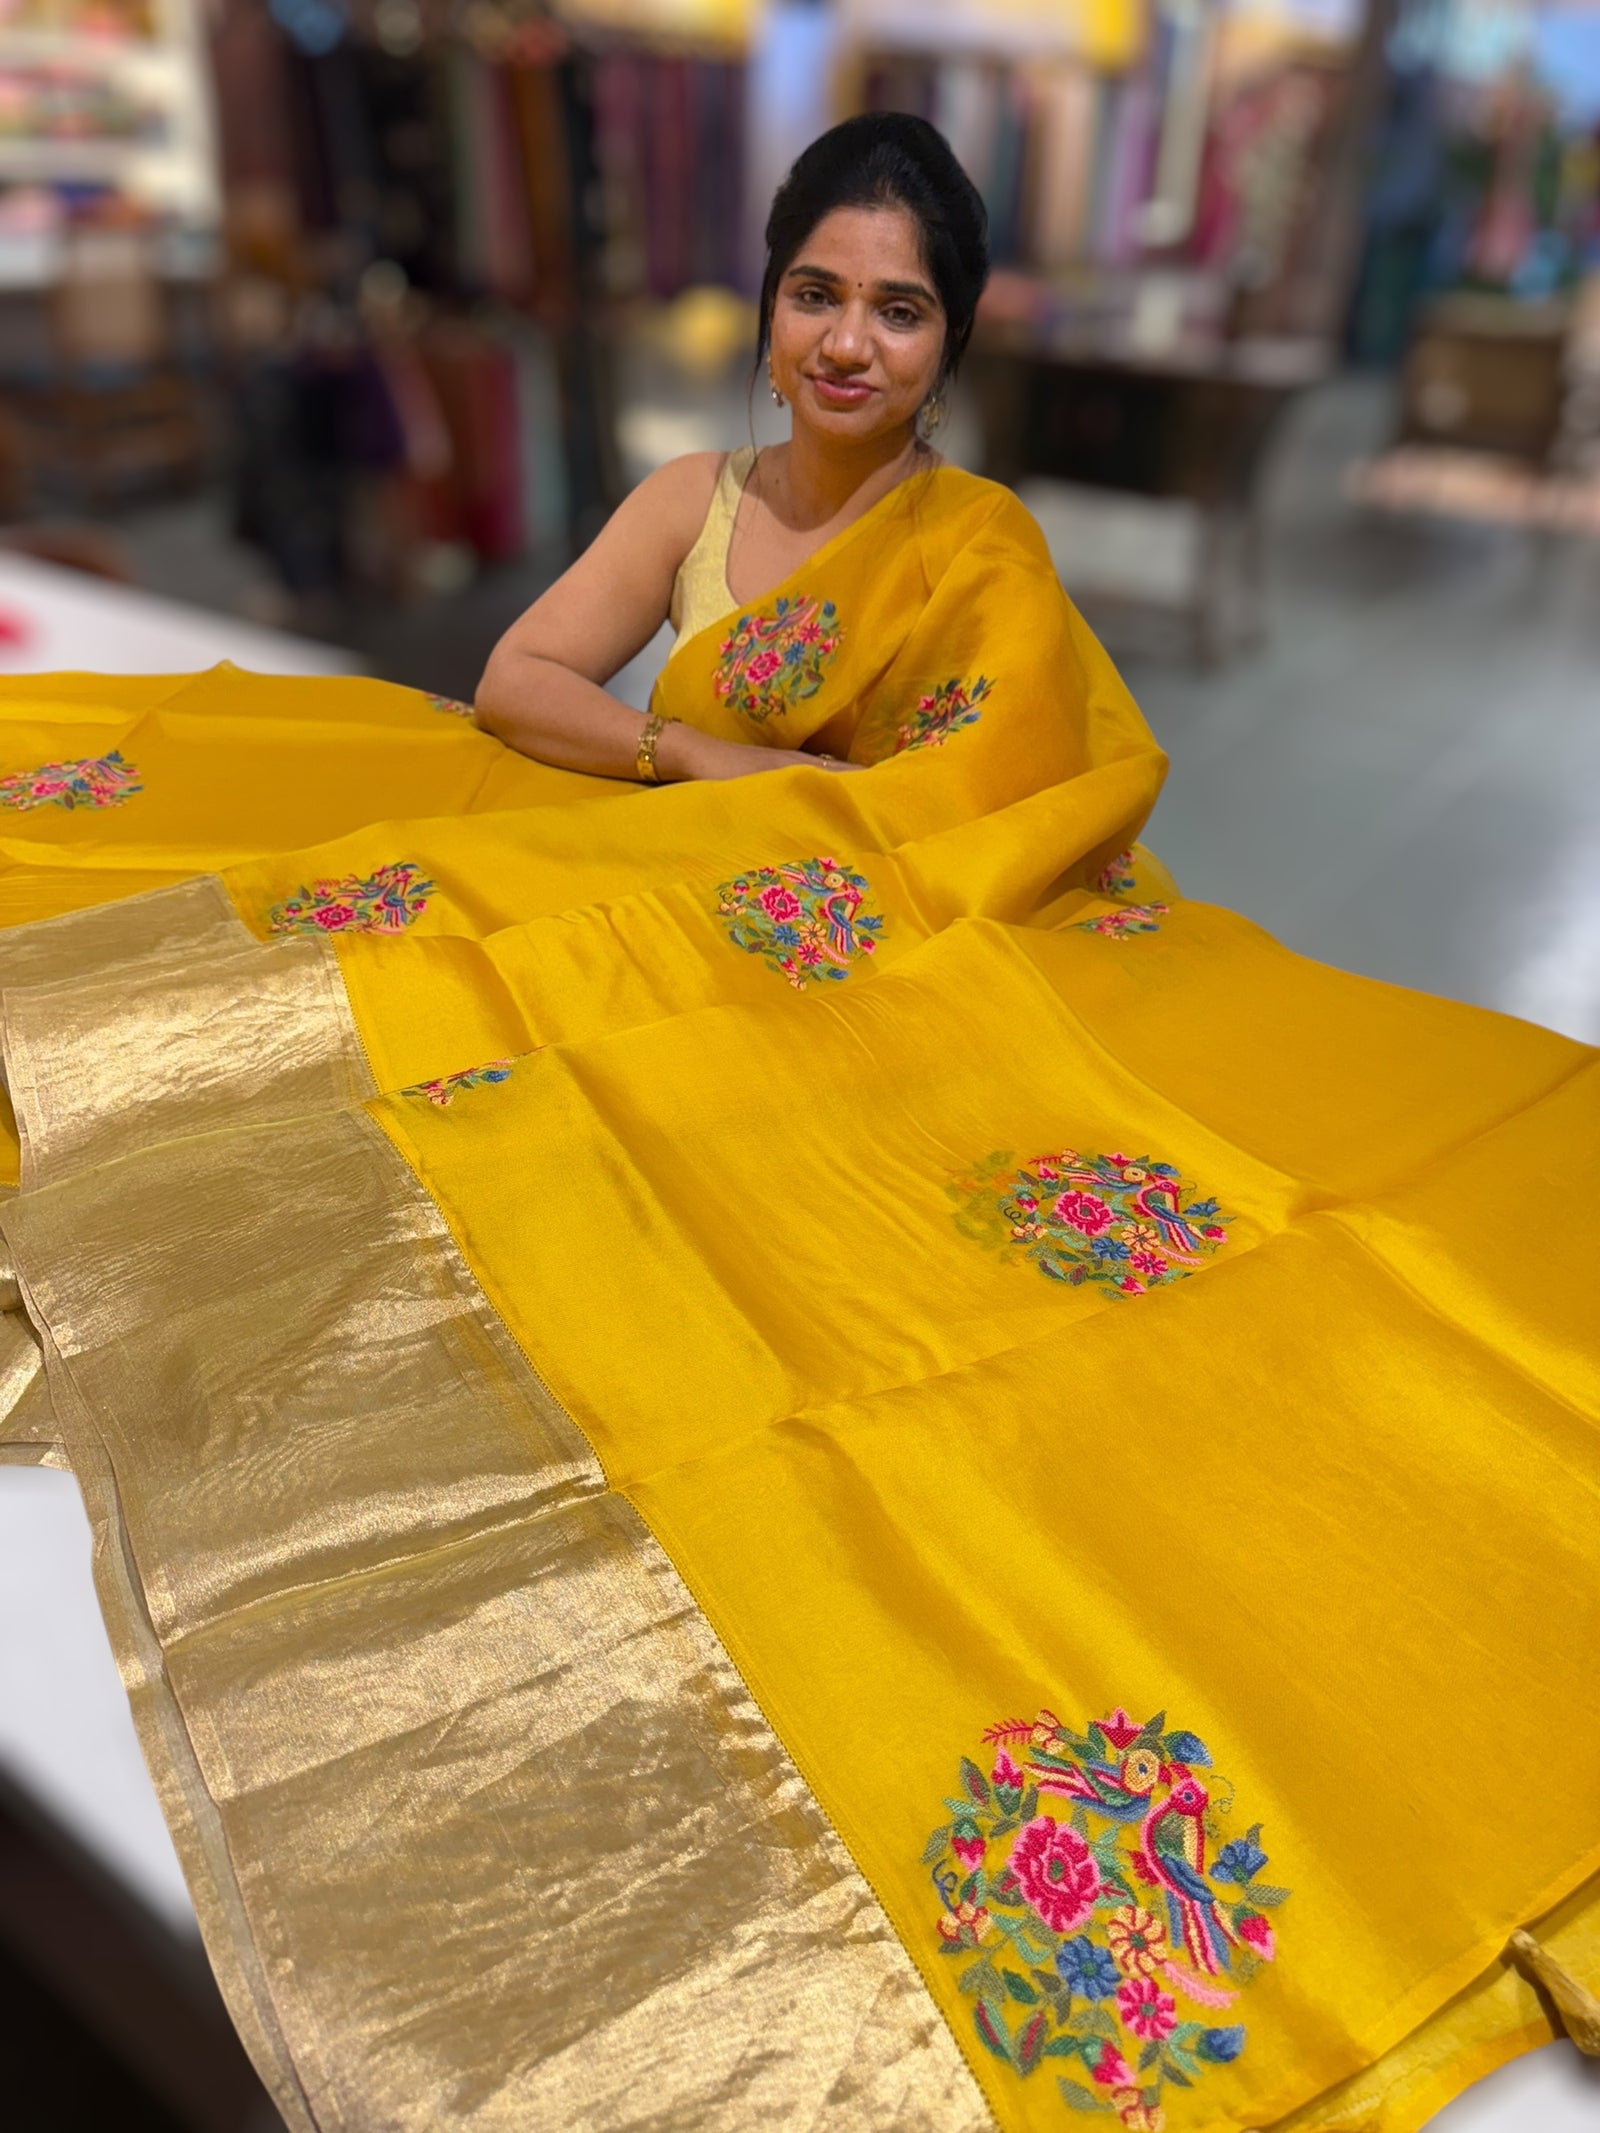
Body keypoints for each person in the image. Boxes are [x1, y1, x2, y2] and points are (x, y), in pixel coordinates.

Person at [0, 114, 1598, 2133]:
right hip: (712, 919)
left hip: (903, 948)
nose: (849, 341)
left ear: (952, 336)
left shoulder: (979, 548)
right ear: (763, 300)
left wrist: (754, 817)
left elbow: (986, 808)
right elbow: (517, 676)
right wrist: (698, 762)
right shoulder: (688, 493)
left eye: (899, 307)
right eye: (819, 293)